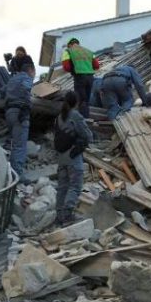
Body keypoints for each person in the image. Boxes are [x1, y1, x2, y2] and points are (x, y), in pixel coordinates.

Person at [54, 91, 93, 225]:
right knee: (75, 186)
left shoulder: (59, 117)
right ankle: (68, 215)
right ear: (76, 102)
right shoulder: (75, 116)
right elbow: (87, 135)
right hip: (73, 155)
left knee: (62, 186)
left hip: (61, 158)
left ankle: (59, 215)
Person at [4, 63, 35, 181]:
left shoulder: (12, 79)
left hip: (9, 112)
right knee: (20, 145)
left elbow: (3, 91)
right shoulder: (26, 78)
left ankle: (11, 172)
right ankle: (17, 175)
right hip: (20, 113)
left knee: (14, 144)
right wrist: (25, 107)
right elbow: (26, 88)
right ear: (31, 70)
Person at [61, 38, 97, 118]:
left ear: (70, 45)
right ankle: (86, 117)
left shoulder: (68, 51)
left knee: (80, 101)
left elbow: (66, 67)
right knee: (86, 100)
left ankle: (83, 120)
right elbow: (96, 65)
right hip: (90, 77)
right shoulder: (88, 51)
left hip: (79, 77)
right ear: (78, 43)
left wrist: (74, 69)